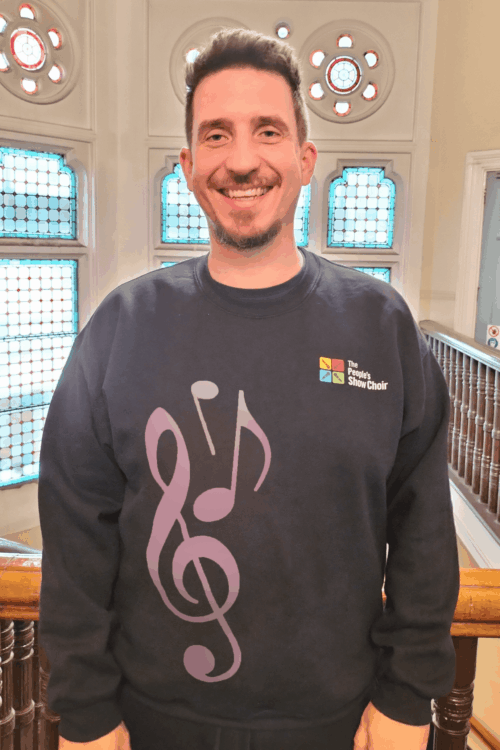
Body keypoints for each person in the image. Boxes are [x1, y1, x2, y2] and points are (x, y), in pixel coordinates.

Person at [38, 27, 460, 750]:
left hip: (341, 723)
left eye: (267, 130)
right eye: (216, 135)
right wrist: (84, 712)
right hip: (148, 723)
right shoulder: (121, 326)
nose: (240, 160)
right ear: (187, 166)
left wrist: (407, 697)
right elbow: (77, 535)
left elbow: (423, 533)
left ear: (304, 160)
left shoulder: (381, 326)